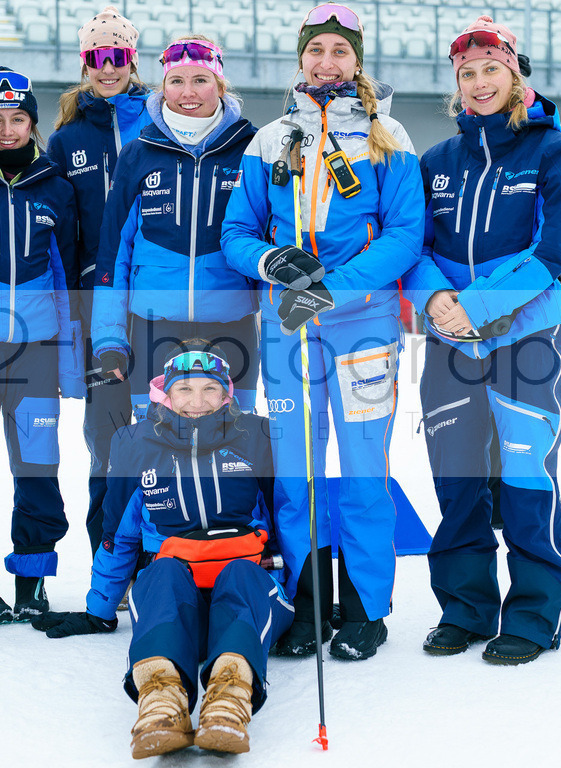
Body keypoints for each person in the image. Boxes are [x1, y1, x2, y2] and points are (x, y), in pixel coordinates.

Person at [221, 2, 423, 661]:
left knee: (363, 470)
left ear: (357, 60)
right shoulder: (270, 139)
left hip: (361, 327)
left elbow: (404, 235)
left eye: (339, 51)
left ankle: (366, 606)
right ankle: (309, 601)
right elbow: (236, 233)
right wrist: (270, 262)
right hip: (288, 327)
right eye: (316, 51)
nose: (327, 62)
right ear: (301, 58)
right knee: (295, 475)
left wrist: (335, 286)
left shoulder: (388, 135)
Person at [403, 15, 561, 665]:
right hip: (450, 345)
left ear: (514, 73)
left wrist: (473, 307)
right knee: (456, 478)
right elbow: (414, 248)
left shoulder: (550, 151)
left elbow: (549, 254)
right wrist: (436, 301)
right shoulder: (437, 161)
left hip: (525, 338)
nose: (479, 82)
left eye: (491, 70)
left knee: (528, 475)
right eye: (467, 73)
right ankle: (466, 607)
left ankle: (534, 611)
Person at [33, 343, 292, 759]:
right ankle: (160, 701)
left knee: (243, 576)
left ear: (228, 394)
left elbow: (288, 522)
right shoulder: (137, 443)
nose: (197, 401)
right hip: (176, 589)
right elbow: (119, 535)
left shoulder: (257, 435)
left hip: (246, 582)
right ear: (164, 394)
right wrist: (99, 611)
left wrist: (307, 598)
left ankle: (229, 701)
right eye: (185, 389)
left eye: (210, 389)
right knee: (160, 574)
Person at [0, 68, 82, 625]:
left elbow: (67, 279)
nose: (7, 130)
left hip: (37, 350)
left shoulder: (56, 186)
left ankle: (32, 575)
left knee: (38, 468)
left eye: (18, 119)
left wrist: (71, 366)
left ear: (32, 124)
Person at [90, 35, 260, 426]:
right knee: (157, 444)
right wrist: (110, 337)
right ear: (162, 87)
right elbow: (113, 253)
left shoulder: (251, 147)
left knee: (232, 444)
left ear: (219, 85)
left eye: (200, 80)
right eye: (176, 81)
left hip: (232, 323)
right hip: (154, 326)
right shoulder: (138, 152)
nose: (188, 93)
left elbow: (268, 236)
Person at [46, 5, 153, 554]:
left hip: (157, 294)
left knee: (167, 418)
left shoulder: (160, 122)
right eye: (96, 58)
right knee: (107, 432)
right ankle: (108, 554)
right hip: (97, 300)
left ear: (131, 60)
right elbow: (60, 227)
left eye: (117, 57)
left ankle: (167, 552)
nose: (107, 68)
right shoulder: (67, 140)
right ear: (84, 63)